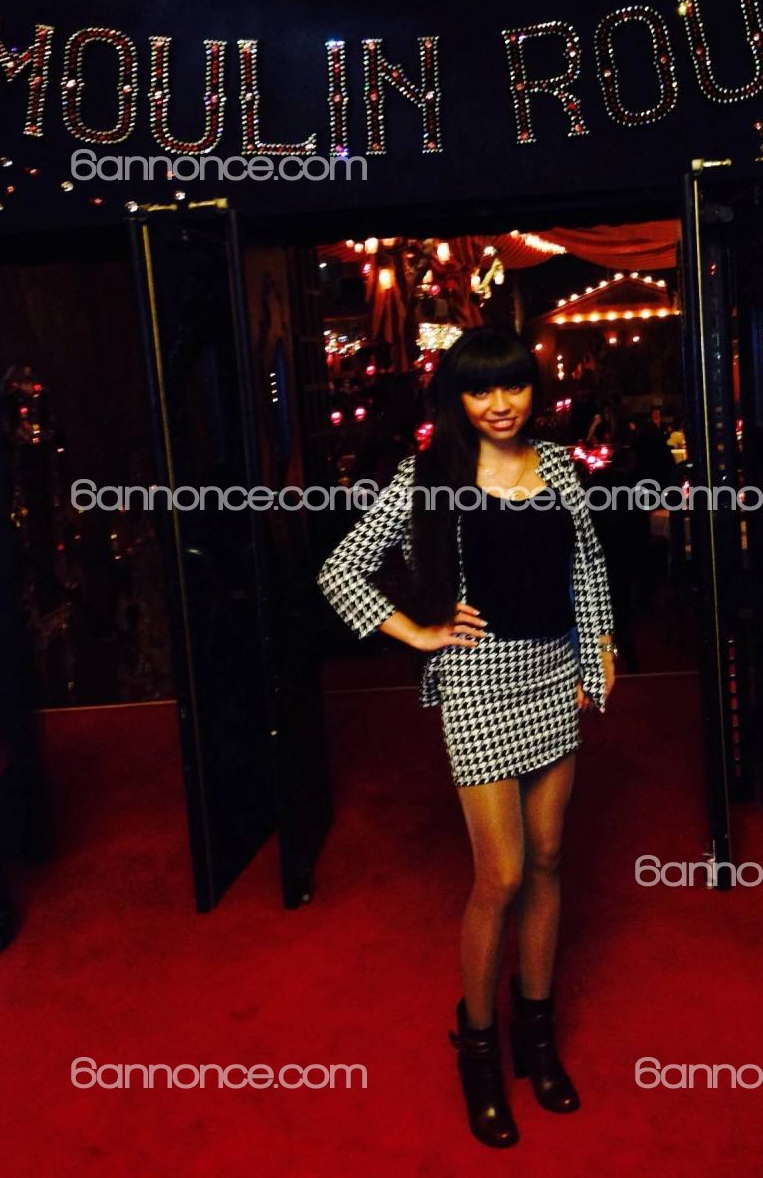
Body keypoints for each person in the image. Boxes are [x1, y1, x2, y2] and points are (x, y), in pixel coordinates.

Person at [316, 327, 617, 1148]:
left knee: (549, 858)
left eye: (513, 385)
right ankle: (478, 1048)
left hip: (555, 674)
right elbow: (339, 570)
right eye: (480, 389)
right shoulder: (429, 476)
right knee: (503, 873)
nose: (499, 404)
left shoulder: (557, 465)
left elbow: (586, 564)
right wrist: (417, 631)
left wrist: (600, 644)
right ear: (457, 398)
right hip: (479, 685)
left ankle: (536, 1036)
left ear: (532, 389)